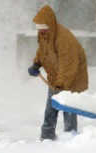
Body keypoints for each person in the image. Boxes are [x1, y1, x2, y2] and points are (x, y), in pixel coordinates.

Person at [28, 5, 88, 141]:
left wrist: (61, 84)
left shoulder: (64, 39)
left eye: (43, 29)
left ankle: (71, 137)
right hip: (55, 78)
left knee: (69, 109)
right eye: (39, 29)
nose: (41, 32)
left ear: (49, 25)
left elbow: (69, 65)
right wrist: (36, 63)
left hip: (72, 78)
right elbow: (43, 51)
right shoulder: (45, 34)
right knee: (50, 109)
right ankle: (47, 137)